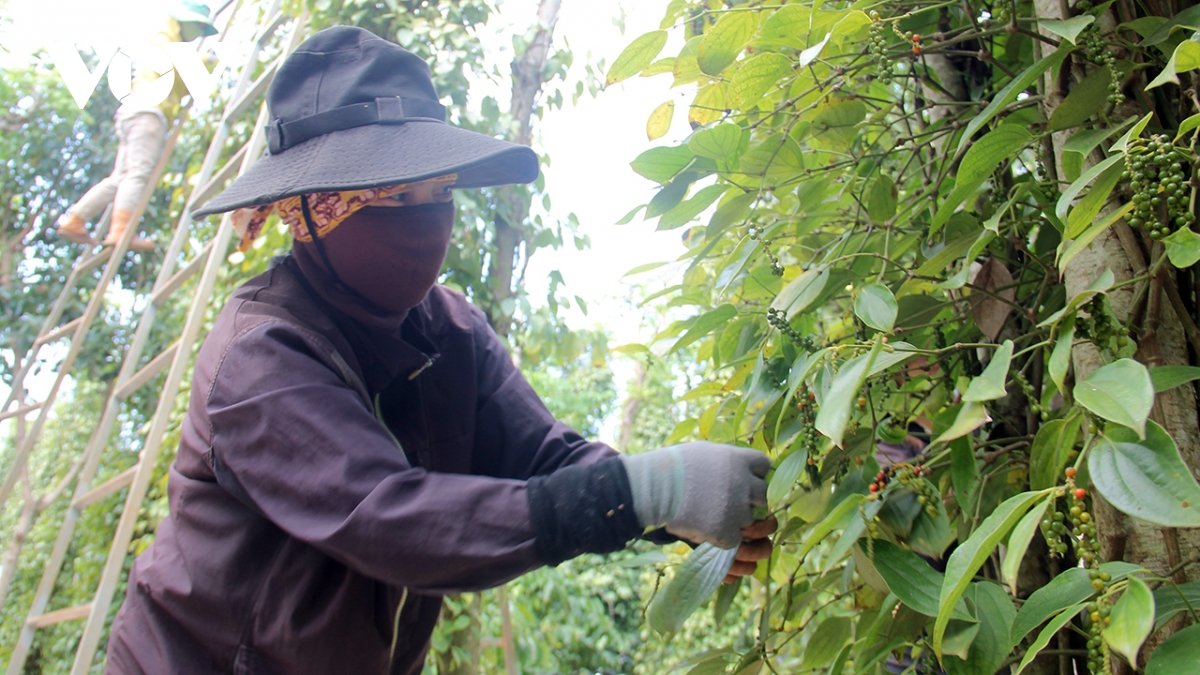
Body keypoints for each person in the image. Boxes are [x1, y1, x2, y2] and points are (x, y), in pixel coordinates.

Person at [103, 26, 775, 675]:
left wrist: (670, 515)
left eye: (441, 190)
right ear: (314, 213)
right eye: (397, 195)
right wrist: (648, 491)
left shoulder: (448, 329)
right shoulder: (259, 355)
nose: (429, 219)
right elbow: (389, 521)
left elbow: (542, 455)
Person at [56, 2, 217, 252]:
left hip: (135, 111)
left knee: (120, 177)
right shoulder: (165, 37)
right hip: (147, 113)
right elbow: (175, 66)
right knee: (137, 174)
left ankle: (75, 220)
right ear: (183, 21)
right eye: (196, 26)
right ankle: (120, 231)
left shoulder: (169, 41)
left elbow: (181, 85)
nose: (197, 33)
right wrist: (203, 62)